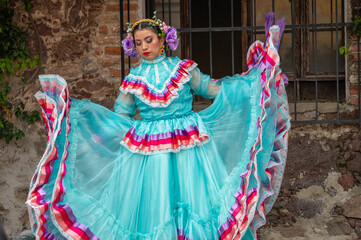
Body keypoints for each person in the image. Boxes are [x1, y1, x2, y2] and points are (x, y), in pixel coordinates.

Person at [26, 12, 290, 240]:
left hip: (190, 143)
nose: (143, 47)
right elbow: (121, 115)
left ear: (163, 40)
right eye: (137, 43)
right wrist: (89, 122)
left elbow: (212, 89)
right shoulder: (133, 79)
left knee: (195, 197)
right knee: (155, 202)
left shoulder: (183, 68)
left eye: (148, 40)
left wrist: (253, 85)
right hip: (148, 149)